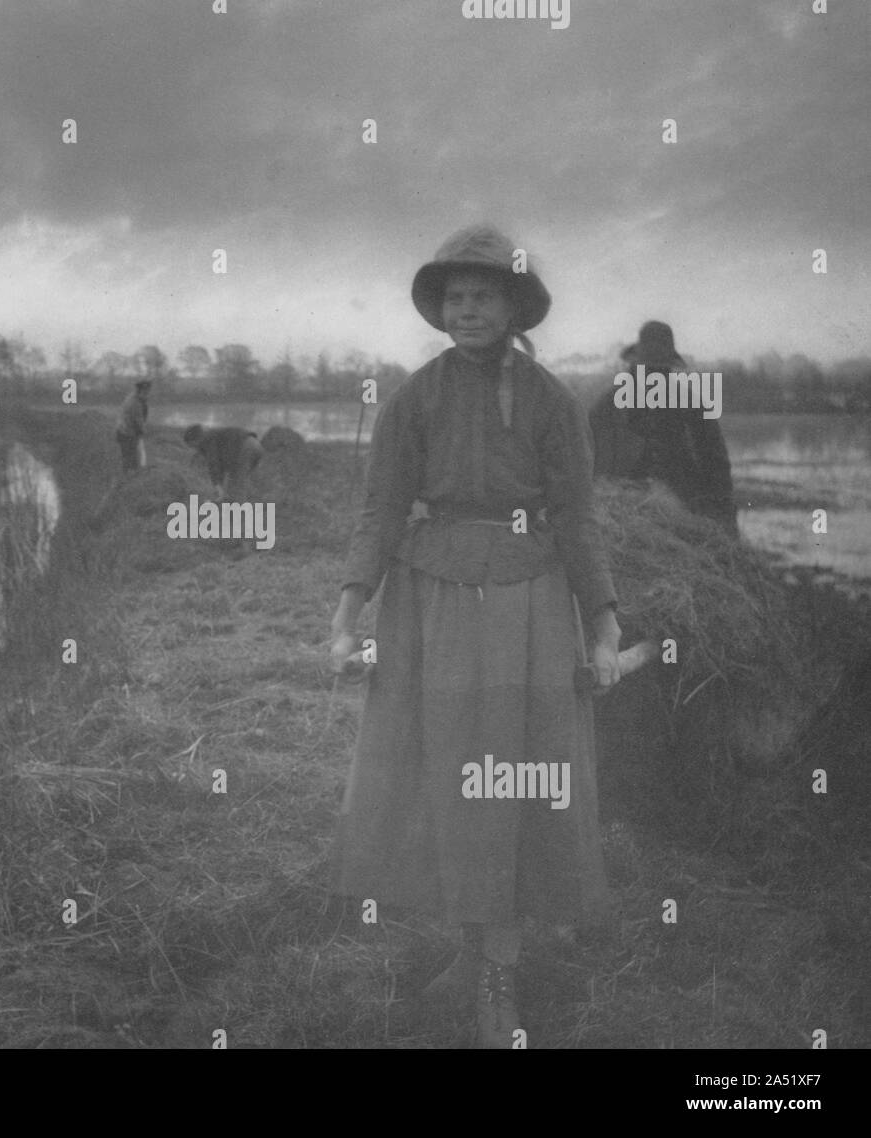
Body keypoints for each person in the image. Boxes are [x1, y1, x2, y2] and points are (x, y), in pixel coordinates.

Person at [327, 224, 622, 1048]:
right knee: (448, 786)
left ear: (513, 305)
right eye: (454, 297)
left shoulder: (553, 403)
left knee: (516, 784)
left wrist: (603, 625)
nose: (466, 310)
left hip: (528, 607)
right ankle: (469, 952)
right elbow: (381, 509)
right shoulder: (412, 399)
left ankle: (501, 975)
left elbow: (576, 519)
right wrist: (350, 610)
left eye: (482, 296)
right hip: (429, 607)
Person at [590, 322, 738, 536]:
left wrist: (725, 520)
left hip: (684, 511)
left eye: (659, 370)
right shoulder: (608, 405)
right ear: (635, 366)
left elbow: (717, 466)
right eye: (648, 370)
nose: (653, 378)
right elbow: (585, 460)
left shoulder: (691, 404)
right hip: (623, 511)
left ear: (668, 370)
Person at [183, 424, 264, 499]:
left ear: (196, 439)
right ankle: (235, 504)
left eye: (192, 445)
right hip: (256, 445)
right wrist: (220, 488)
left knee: (236, 487)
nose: (194, 448)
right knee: (236, 481)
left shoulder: (208, 439)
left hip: (245, 447)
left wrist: (218, 487)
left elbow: (214, 464)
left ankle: (237, 511)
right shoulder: (215, 435)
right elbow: (220, 467)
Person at [115, 379, 152, 472]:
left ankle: (130, 474)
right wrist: (144, 432)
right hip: (127, 433)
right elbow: (138, 421)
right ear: (139, 391)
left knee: (130, 457)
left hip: (127, 431)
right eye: (145, 391)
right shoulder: (134, 403)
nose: (147, 394)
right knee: (132, 458)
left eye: (148, 391)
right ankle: (131, 477)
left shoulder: (136, 398)